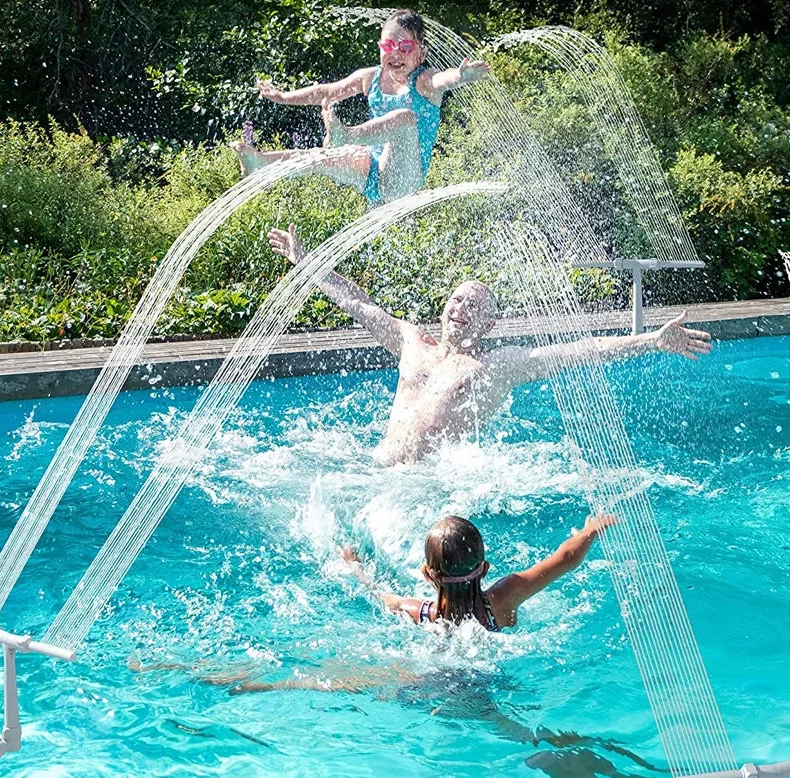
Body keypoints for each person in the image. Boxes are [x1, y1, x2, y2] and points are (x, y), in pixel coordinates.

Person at [268, 224, 714, 465]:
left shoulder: (494, 366)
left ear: (489, 322)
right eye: (457, 298)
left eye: (474, 304)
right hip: (375, 469)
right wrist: (306, 262)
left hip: (425, 490)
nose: (461, 307)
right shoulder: (411, 341)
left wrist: (651, 340)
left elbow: (581, 350)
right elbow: (358, 303)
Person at [230, 9, 490, 204]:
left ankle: (346, 135)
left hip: (404, 178)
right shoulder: (370, 78)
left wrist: (461, 76)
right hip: (370, 173)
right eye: (388, 45)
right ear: (379, 47)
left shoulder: (423, 81)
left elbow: (443, 79)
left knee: (404, 119)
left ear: (421, 53)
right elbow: (325, 91)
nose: (395, 53)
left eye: (405, 47)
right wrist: (284, 97)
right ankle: (262, 164)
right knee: (319, 157)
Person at [343, 512, 616, 631]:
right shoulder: (504, 598)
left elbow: (378, 593)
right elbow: (566, 558)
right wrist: (591, 530)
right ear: (484, 569)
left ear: (427, 574)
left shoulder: (418, 613)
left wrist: (354, 565)